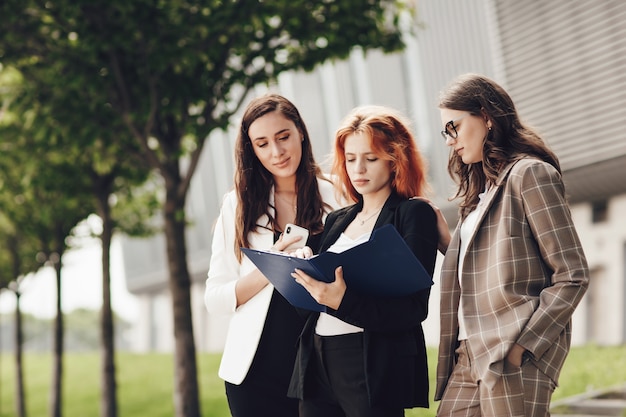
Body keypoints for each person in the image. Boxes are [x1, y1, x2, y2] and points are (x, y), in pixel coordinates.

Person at [432, 73, 589, 417]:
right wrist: (447, 240)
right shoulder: (480, 193)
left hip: (511, 351)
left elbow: (572, 274)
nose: (449, 140)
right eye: (446, 131)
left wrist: (523, 347)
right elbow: (487, 265)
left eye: (454, 127)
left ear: (486, 117)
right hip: (467, 351)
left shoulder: (529, 174)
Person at [287, 105, 438, 417]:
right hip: (317, 361)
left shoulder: (413, 214)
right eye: (351, 159)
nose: (358, 169)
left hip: (370, 364)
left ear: (395, 160)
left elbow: (413, 309)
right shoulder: (336, 220)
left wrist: (344, 300)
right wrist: (302, 271)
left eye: (370, 159)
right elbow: (312, 305)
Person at [204, 93, 343, 417]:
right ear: (251, 149)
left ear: (301, 133)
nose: (277, 152)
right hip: (256, 372)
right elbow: (216, 299)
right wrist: (273, 264)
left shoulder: (338, 193)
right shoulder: (238, 206)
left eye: (283, 137)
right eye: (262, 143)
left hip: (327, 366)